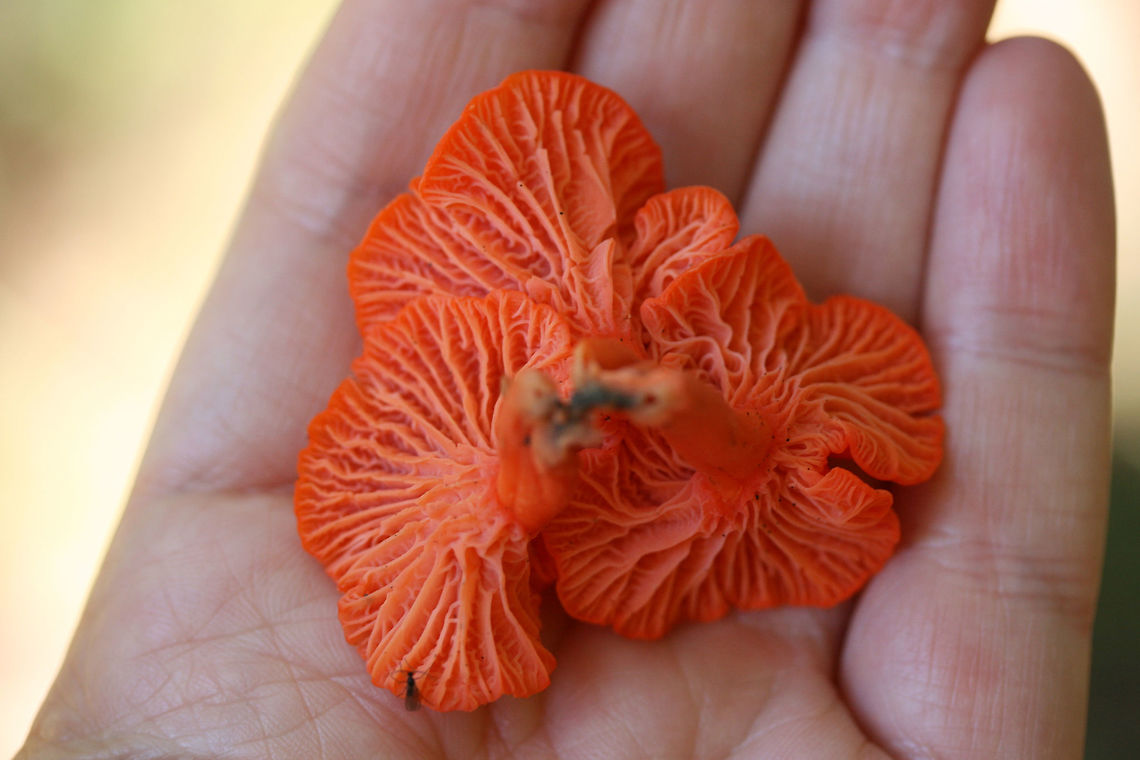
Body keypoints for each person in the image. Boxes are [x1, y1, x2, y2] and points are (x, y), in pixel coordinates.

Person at [17, 1, 1115, 757]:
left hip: (711, 455)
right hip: (502, 423)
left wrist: (698, 426)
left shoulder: (712, 418)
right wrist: (524, 464)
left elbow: (767, 461)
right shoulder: (493, 442)